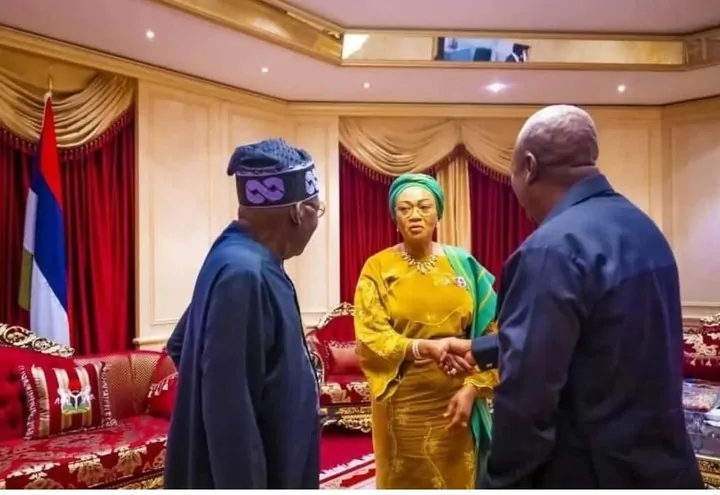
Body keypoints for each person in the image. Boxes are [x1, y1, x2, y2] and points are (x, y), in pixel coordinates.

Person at [443, 105, 703, 489]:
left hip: (590, 472)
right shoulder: (642, 227)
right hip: (663, 467)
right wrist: (482, 349)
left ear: (528, 167)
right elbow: (602, 335)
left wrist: (499, 483)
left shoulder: (550, 250)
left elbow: (527, 401)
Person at [164, 138, 325, 489]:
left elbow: (181, 344)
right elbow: (229, 413)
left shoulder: (235, 254)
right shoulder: (245, 274)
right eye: (318, 208)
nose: (318, 217)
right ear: (298, 212)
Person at [353, 173, 498, 489]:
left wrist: (472, 389)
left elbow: (492, 331)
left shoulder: (464, 264)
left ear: (438, 214)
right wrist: (422, 348)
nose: (415, 215)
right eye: (405, 209)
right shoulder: (378, 267)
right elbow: (371, 335)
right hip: (401, 403)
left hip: (457, 398)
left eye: (424, 206)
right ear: (395, 218)